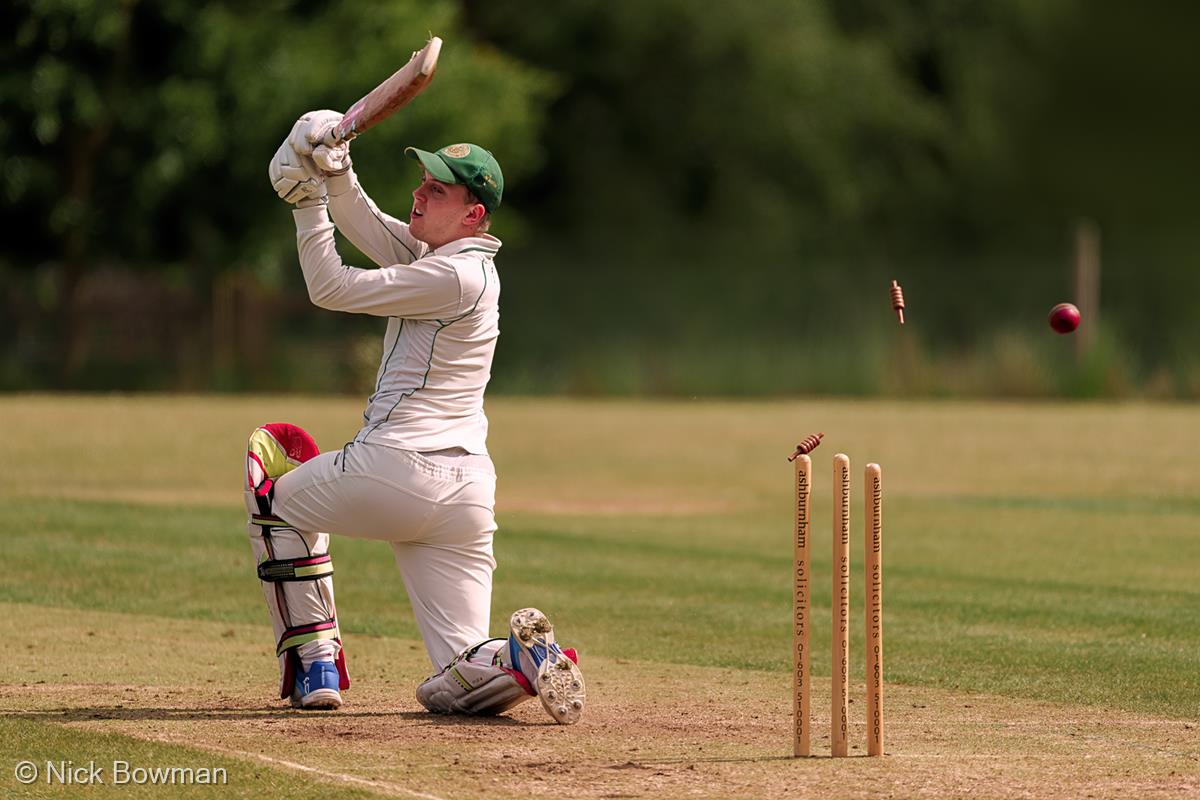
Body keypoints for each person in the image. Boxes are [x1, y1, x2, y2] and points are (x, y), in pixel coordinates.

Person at [245, 110, 585, 724]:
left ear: (473, 214)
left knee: (274, 502)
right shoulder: (457, 261)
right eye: (423, 181)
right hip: (465, 497)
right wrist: (334, 166)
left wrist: (304, 201)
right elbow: (373, 228)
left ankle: (316, 660)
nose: (419, 193)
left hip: (396, 467)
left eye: (437, 190)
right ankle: (523, 658)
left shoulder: (450, 276)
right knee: (451, 682)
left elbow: (330, 287)